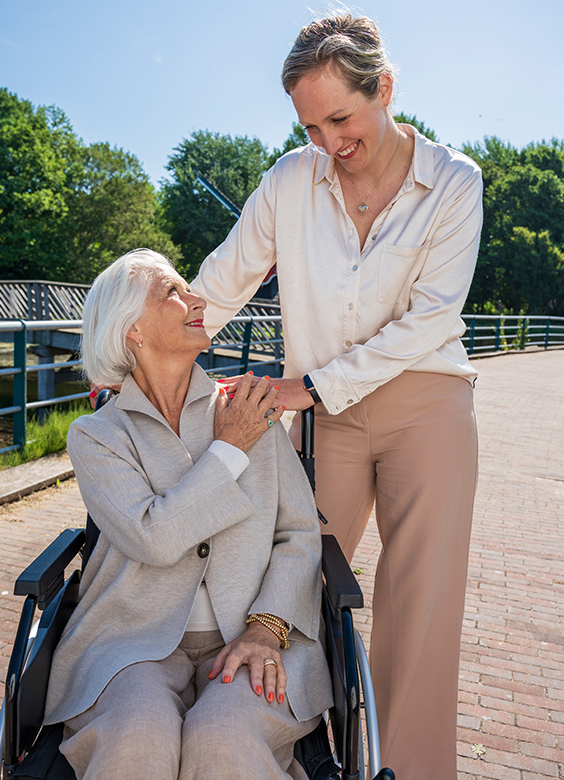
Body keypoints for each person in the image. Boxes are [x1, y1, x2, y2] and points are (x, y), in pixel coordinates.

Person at [190, 12, 482, 780]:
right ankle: (279, 752)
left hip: (427, 405)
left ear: (383, 89)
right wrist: (140, 350)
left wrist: (308, 384)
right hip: (328, 422)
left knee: (419, 615)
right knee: (295, 583)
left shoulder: (455, 182)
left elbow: (432, 320)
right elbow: (223, 280)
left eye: (340, 118)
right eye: (311, 125)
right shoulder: (290, 178)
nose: (327, 141)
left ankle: (407, 772)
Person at [43, 248, 333, 780]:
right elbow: (153, 537)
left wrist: (268, 628)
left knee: (223, 740)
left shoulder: (248, 404)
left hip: (254, 636)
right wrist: (228, 450)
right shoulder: (98, 436)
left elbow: (297, 533)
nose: (196, 298)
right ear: (131, 329)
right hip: (127, 644)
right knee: (138, 738)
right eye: (172, 292)